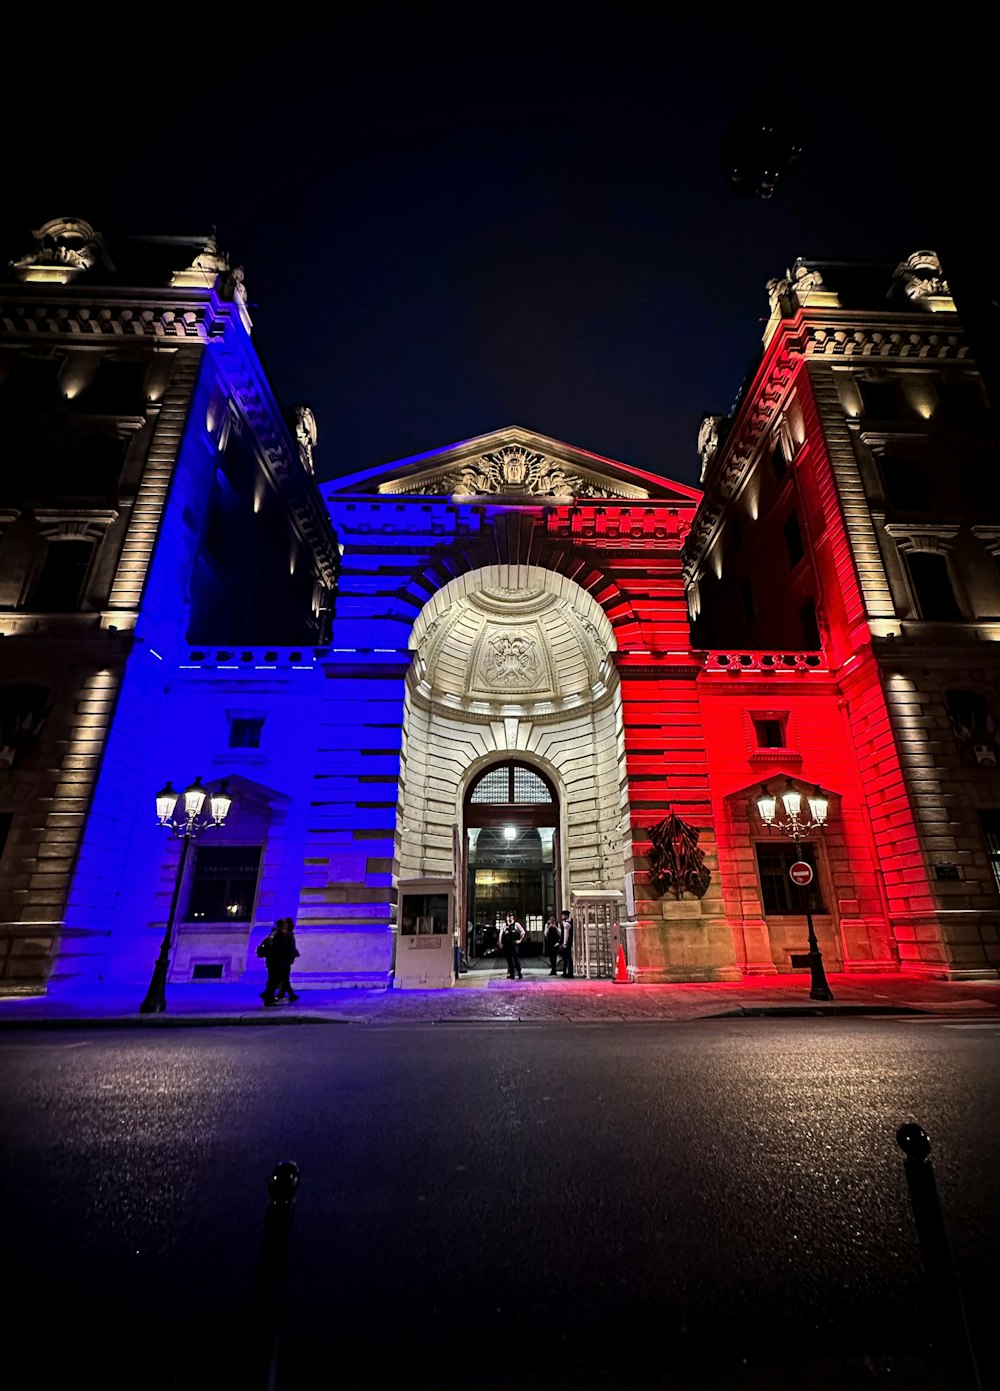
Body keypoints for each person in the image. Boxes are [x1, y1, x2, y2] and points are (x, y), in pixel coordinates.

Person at [261, 917, 301, 1005]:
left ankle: (270, 996)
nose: (286, 925)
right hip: (277, 961)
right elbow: (280, 949)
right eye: (284, 924)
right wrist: (286, 958)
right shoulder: (279, 935)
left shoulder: (275, 934)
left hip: (275, 961)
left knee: (277, 979)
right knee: (275, 980)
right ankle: (268, 998)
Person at [499, 912, 525, 980]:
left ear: (513, 917)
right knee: (509, 960)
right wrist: (500, 942)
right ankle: (512, 974)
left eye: (511, 916)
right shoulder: (504, 925)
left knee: (516, 959)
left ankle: (519, 973)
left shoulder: (516, 924)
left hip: (514, 945)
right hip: (507, 945)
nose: (510, 918)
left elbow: (523, 932)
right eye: (509, 916)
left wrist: (520, 940)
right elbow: (501, 933)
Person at [559, 909, 574, 978]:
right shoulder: (568, 923)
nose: (562, 916)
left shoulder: (566, 924)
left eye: (563, 915)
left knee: (567, 958)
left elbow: (566, 934)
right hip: (567, 943)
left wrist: (564, 943)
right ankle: (566, 972)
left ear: (566, 916)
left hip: (566, 944)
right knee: (566, 958)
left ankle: (569, 973)